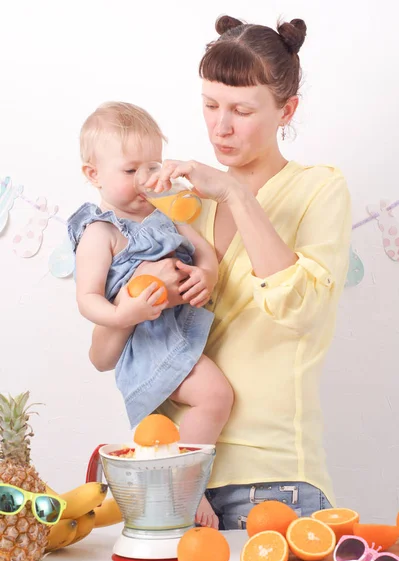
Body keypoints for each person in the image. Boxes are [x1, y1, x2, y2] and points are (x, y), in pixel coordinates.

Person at [89, 15, 352, 529]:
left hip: (275, 480)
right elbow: (106, 352)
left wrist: (232, 190)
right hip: (175, 478)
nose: (220, 126)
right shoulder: (178, 206)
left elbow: (300, 310)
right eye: (210, 105)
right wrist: (138, 298)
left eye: (241, 110)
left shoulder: (320, 190)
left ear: (287, 110)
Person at [67, 101, 234, 528]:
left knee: (205, 404)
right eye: (129, 170)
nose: (145, 180)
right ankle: (188, 488)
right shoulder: (99, 232)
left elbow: (206, 253)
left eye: (152, 167)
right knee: (215, 395)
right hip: (145, 342)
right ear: (93, 174)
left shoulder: (167, 214)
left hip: (176, 329)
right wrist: (127, 312)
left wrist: (207, 276)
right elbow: (87, 299)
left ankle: (176, 487)